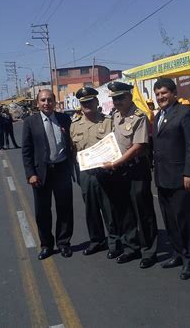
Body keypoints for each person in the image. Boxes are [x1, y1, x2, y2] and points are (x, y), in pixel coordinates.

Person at [103, 81, 158, 268]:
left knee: (143, 210)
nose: (117, 101)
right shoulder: (115, 115)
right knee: (124, 210)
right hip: (118, 170)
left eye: (120, 97)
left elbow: (138, 146)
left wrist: (116, 162)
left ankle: (149, 250)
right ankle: (131, 247)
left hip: (136, 168)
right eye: (114, 98)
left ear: (129, 96)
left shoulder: (139, 116)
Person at [152, 78, 190, 280]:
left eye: (164, 93)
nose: (160, 97)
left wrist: (189, 173)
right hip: (163, 177)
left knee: (186, 220)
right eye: (157, 94)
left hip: (182, 178)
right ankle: (178, 253)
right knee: (170, 219)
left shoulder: (186, 113)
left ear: (174, 93)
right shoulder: (158, 116)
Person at [22, 90, 75, 260]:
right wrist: (30, 173)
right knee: (42, 211)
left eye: (49, 100)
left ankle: (64, 243)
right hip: (41, 173)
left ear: (54, 102)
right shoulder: (30, 122)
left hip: (61, 169)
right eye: (43, 100)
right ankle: (46, 245)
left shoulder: (65, 120)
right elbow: (27, 150)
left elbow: (72, 143)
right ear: (37, 103)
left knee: (65, 209)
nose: (46, 103)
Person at [70, 87, 115, 255]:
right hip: (86, 174)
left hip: (106, 172)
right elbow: (73, 150)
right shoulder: (74, 125)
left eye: (90, 101)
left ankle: (114, 241)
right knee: (91, 209)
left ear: (97, 102)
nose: (87, 105)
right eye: (84, 102)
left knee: (109, 208)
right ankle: (96, 241)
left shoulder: (108, 122)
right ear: (80, 105)